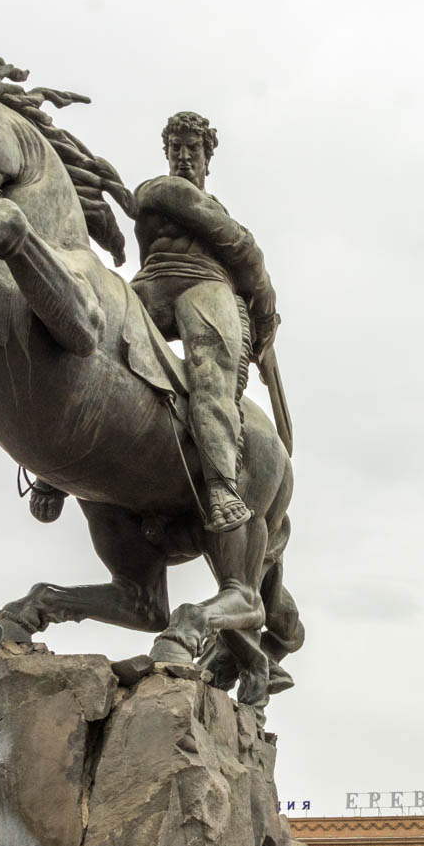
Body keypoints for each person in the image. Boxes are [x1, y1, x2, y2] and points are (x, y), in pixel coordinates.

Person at [130, 111, 283, 534]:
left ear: (206, 158)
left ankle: (221, 486)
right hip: (153, 281)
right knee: (93, 328)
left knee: (210, 368)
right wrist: (264, 293)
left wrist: (262, 320)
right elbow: (240, 247)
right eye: (174, 149)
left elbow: (236, 252)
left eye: (191, 149)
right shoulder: (157, 191)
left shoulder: (214, 207)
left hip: (206, 283)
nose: (182, 156)